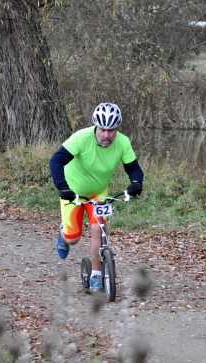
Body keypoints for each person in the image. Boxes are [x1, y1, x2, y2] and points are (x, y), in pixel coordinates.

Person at [49, 102, 144, 292]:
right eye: (102, 129)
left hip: (99, 194)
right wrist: (63, 187)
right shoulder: (81, 138)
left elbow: (133, 168)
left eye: (112, 130)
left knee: (98, 230)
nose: (107, 135)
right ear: (96, 127)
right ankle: (62, 234)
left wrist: (136, 184)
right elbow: (56, 160)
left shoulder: (123, 142)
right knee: (72, 238)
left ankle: (96, 275)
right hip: (73, 193)